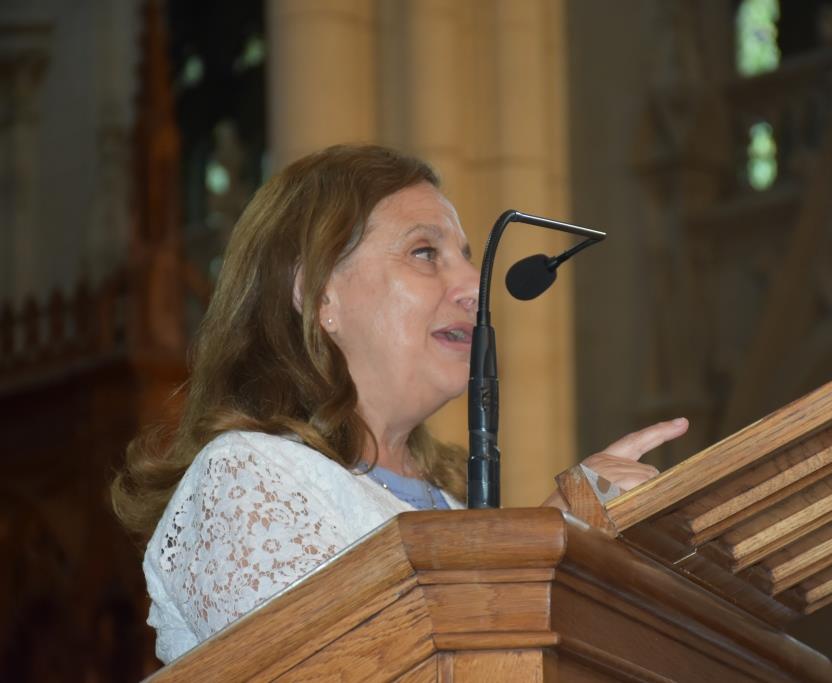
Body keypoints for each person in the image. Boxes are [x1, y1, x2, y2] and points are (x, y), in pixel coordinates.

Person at [110, 144, 689, 664]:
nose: (471, 286)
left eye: (464, 256)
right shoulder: (245, 479)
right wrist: (552, 529)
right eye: (424, 253)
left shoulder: (452, 504)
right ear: (316, 292)